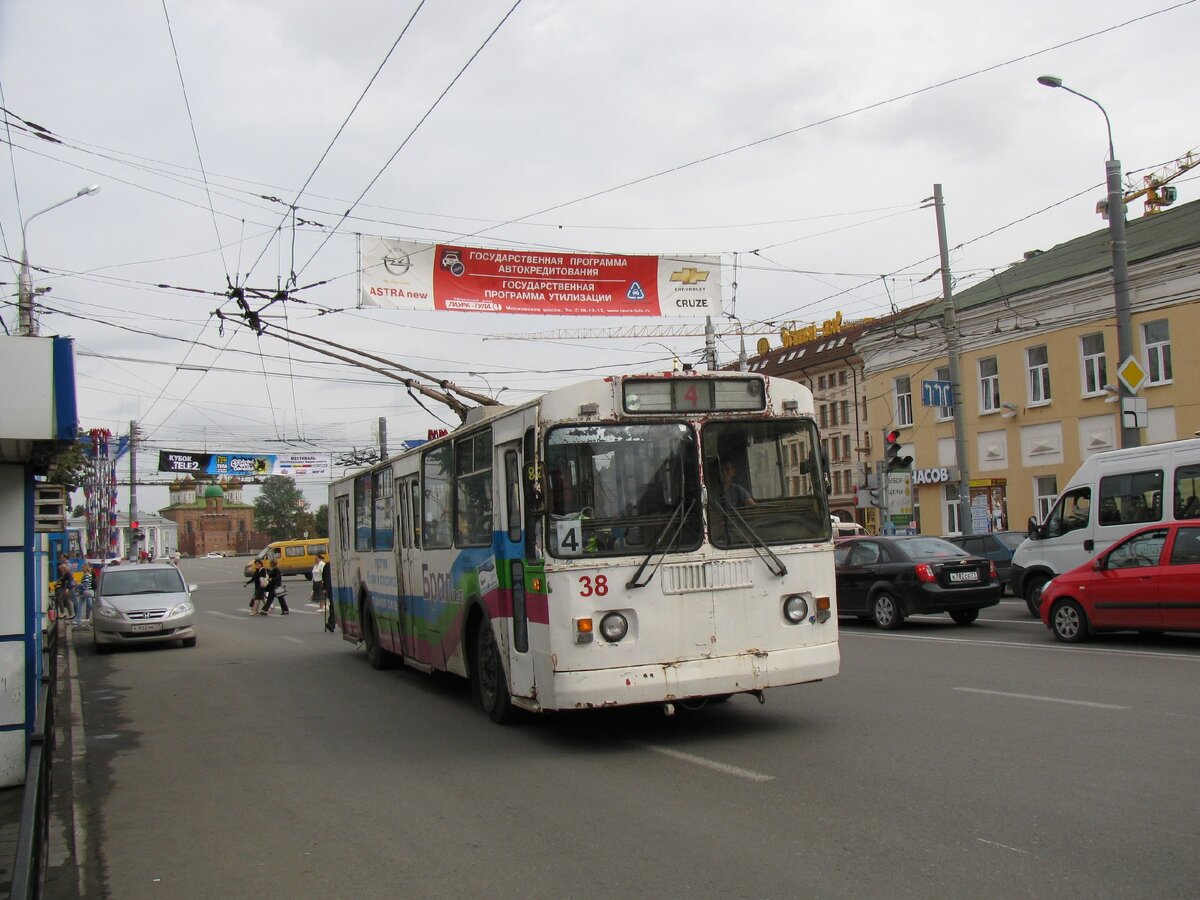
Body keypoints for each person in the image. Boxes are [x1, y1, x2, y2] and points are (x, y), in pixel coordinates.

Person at [322, 556, 335, 633]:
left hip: (338, 588)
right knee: (332, 606)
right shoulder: (327, 565)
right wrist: (325, 588)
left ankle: (332, 623)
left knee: (333, 606)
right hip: (331, 589)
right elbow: (324, 578)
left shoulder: (328, 565)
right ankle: (331, 623)